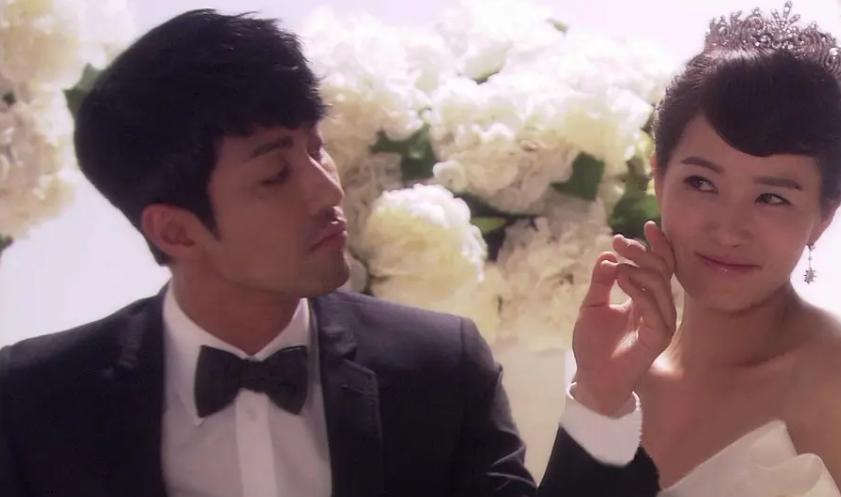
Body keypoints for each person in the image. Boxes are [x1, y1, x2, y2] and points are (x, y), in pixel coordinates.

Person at [0, 10, 539, 496]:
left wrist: (587, 406)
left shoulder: (439, 368)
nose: (328, 190)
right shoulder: (33, 402)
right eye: (276, 174)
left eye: (317, 148)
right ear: (175, 231)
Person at [538, 3, 841, 497]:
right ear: (658, 176)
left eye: (772, 198)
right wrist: (598, 396)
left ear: (824, 215)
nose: (729, 229)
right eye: (701, 182)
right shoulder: (621, 367)